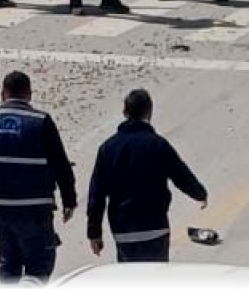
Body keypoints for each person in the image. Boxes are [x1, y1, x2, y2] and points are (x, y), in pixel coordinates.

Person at [0, 71, 78, 284]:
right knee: (39, 264)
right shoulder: (41, 121)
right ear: (29, 94)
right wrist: (69, 199)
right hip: (34, 206)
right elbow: (60, 164)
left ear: (2, 94)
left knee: (8, 262)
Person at [87, 89, 208, 264]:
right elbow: (180, 174)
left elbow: (96, 194)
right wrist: (200, 193)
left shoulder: (108, 148)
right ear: (149, 112)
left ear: (124, 112)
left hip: (123, 231)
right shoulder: (157, 144)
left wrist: (94, 232)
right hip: (155, 228)